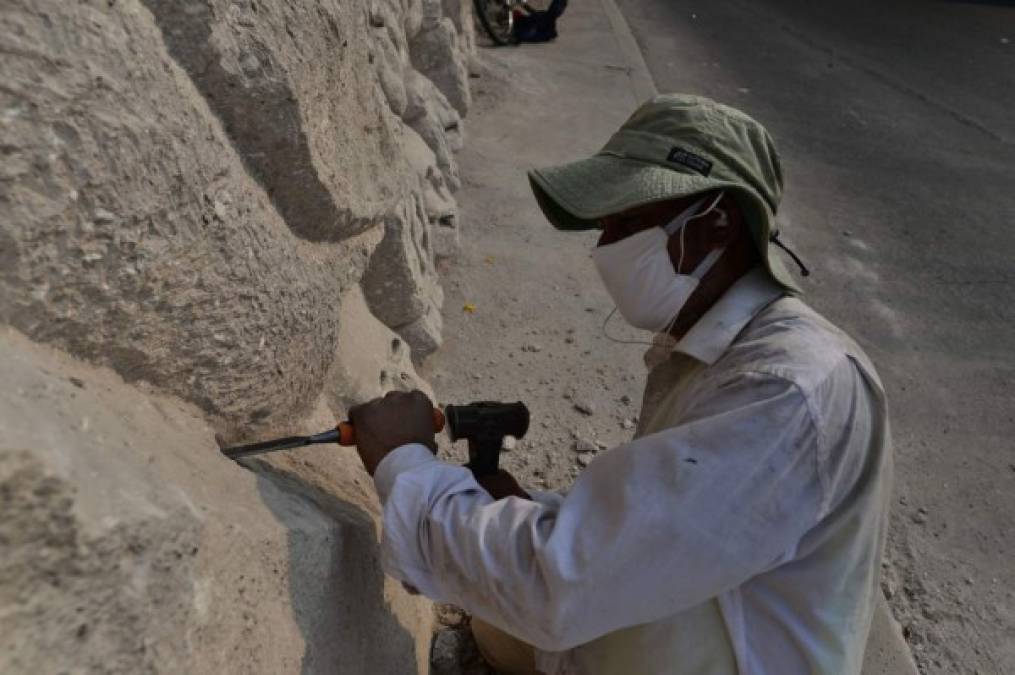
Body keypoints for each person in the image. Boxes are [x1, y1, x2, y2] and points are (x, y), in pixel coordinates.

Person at [349, 94, 893, 675]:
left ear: (714, 224)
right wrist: (531, 508)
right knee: (494, 616)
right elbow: (667, 527)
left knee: (515, 604)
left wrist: (405, 466)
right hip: (692, 627)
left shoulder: (783, 391)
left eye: (626, 222)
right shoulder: (722, 346)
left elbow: (563, 585)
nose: (605, 247)